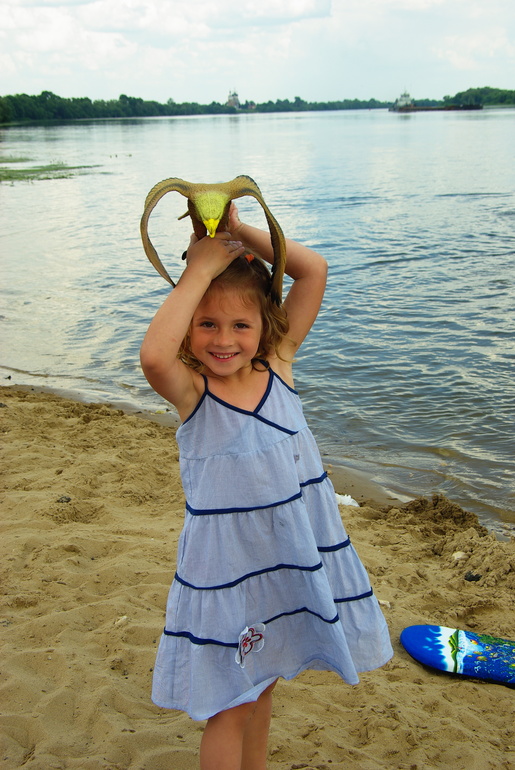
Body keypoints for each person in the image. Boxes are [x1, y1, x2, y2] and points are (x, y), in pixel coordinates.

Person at [140, 203, 393, 770]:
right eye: (206, 323)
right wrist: (200, 269)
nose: (224, 340)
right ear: (188, 326)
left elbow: (313, 270)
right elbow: (154, 355)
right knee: (231, 703)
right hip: (227, 575)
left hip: (288, 561)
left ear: (266, 326)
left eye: (240, 325)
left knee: (265, 685)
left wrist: (238, 234)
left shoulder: (277, 364)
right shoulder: (193, 393)